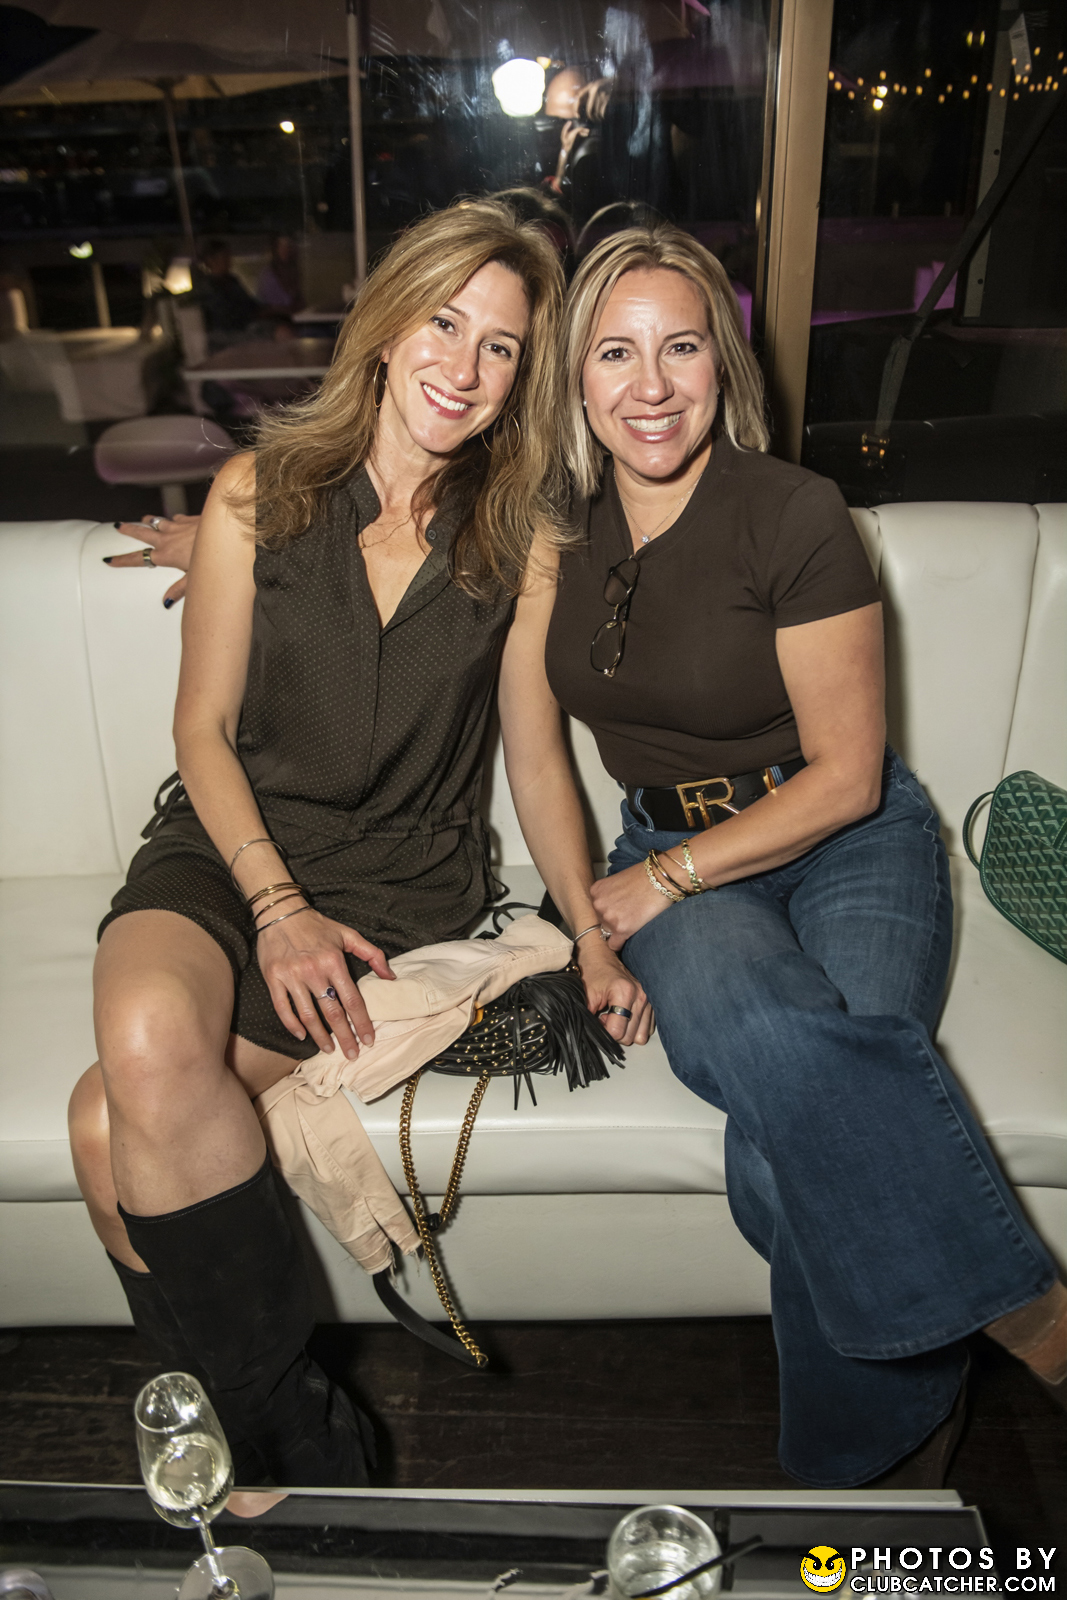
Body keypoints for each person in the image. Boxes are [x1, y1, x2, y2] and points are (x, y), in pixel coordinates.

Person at [70, 199, 650, 1490]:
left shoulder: (519, 540)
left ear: (520, 378)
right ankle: (301, 1440)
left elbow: (536, 760)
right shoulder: (256, 492)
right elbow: (201, 731)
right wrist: (275, 908)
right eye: (443, 323)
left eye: (500, 346)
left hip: (395, 885)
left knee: (102, 1124)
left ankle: (264, 1462)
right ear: (385, 328)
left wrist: (592, 932)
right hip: (228, 848)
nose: (463, 365)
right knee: (146, 1038)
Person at [539, 223, 1065, 1485]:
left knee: (796, 1138)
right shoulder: (545, 533)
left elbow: (845, 775)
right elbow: (531, 750)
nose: (649, 385)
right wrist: (590, 920)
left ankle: (862, 1485)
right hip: (668, 840)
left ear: (721, 364)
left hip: (844, 837)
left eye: (679, 348)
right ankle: (1026, 1320)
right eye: (614, 353)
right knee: (784, 1050)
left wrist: (658, 883)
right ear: (574, 379)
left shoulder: (792, 511)